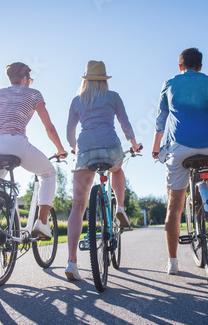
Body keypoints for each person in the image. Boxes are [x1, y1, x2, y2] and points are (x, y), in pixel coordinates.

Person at [151, 48, 208, 275]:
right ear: (200, 66)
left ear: (180, 66)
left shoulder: (171, 82)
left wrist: (156, 149)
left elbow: (160, 120)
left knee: (174, 206)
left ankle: (172, 263)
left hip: (180, 147)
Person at [65, 60, 142, 281]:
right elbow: (125, 124)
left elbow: (70, 131)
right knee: (117, 170)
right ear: (104, 80)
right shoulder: (113, 96)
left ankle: (72, 262)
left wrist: (73, 148)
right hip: (111, 148)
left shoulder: (77, 100)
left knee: (78, 206)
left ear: (85, 80)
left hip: (86, 151)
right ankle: (120, 206)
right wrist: (134, 144)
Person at [0, 62, 68, 240]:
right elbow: (49, 127)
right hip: (13, 141)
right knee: (48, 173)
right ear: (26, 78)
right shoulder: (33, 93)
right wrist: (60, 149)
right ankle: (42, 223)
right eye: (30, 79)